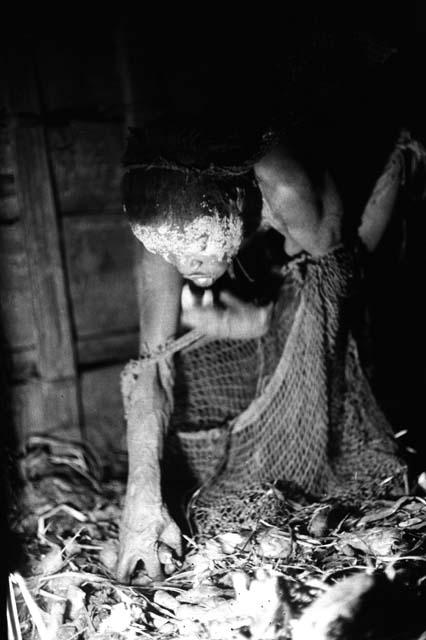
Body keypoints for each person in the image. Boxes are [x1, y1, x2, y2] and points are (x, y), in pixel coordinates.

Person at [115, 120, 424, 583]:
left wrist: (251, 322)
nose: (185, 268)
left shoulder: (291, 192)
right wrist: (140, 498)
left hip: (360, 169)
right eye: (172, 255)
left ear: (238, 205)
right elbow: (151, 370)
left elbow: (334, 300)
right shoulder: (163, 223)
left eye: (198, 248)